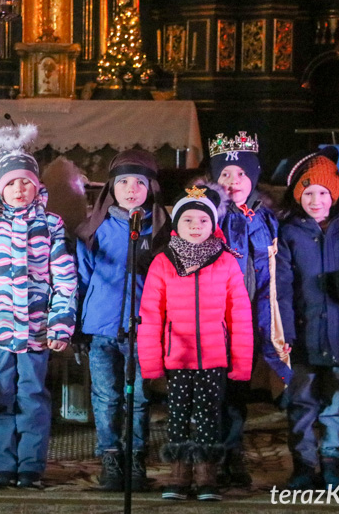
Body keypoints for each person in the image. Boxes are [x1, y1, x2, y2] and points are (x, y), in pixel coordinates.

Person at [0, 124, 77, 489]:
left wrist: (60, 324)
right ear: (0, 187)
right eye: (12, 183)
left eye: (26, 182)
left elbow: (65, 279)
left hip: (36, 333)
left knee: (34, 399)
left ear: (37, 186)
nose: (20, 189)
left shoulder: (51, 225)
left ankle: (30, 465)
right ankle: (3, 464)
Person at [138, 185, 253, 501]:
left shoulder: (226, 262)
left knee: (208, 416)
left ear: (212, 224)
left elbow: (239, 314)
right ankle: (178, 474)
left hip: (214, 357)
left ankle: (205, 476)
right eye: (188, 220)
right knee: (177, 415)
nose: (195, 226)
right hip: (178, 356)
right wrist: (151, 362)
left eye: (203, 221)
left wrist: (241, 363)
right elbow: (151, 314)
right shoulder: (163, 263)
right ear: (176, 224)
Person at [74, 149, 170, 492]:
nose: (131, 189)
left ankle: (137, 455)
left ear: (151, 188)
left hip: (143, 328)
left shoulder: (162, 232)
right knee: (106, 396)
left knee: (140, 396)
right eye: (124, 182)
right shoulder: (93, 230)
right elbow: (82, 279)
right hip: (101, 325)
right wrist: (75, 327)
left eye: (140, 182)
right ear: (111, 187)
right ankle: (111, 455)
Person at [208, 131, 291, 486]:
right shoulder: (205, 213)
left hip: (247, 320)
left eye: (240, 174)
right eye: (225, 175)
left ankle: (232, 453)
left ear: (253, 177)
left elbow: (275, 272)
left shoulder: (265, 218)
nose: (232, 182)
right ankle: (209, 458)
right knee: (213, 392)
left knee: (237, 393)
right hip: (213, 320)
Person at [276, 147, 339, 490]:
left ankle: (333, 461)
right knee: (302, 401)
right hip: (303, 334)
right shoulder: (288, 233)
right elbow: (281, 286)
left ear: (334, 194)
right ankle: (305, 465)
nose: (316, 200)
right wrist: (285, 331)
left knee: (337, 402)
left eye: (323, 192)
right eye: (308, 193)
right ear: (298, 196)